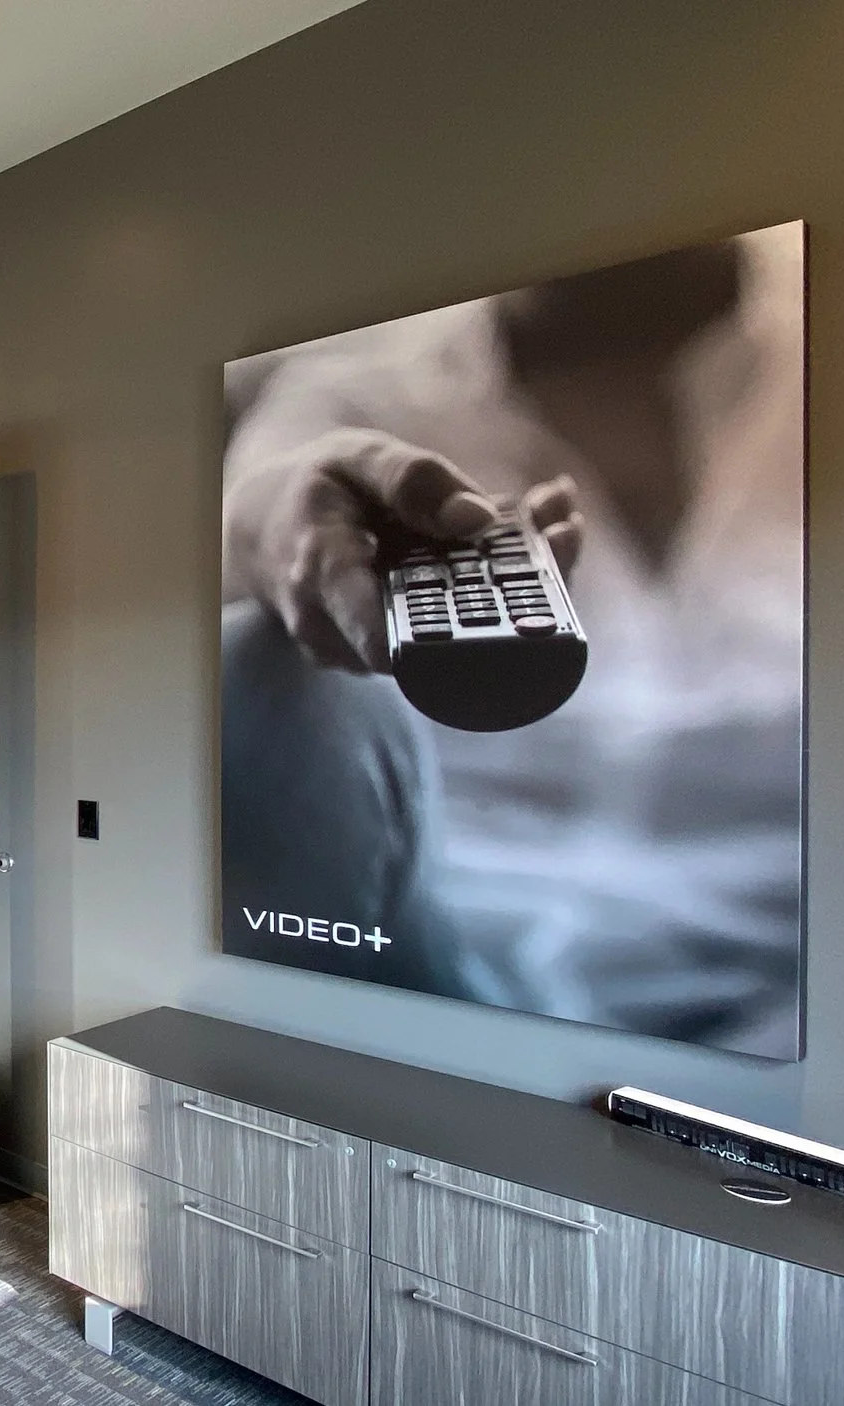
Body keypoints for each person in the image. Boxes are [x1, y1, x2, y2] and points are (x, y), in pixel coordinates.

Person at [218, 227, 805, 1057]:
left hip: (793, 1002)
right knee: (247, 661)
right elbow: (247, 528)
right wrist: (268, 533)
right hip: (436, 963)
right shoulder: (355, 397)